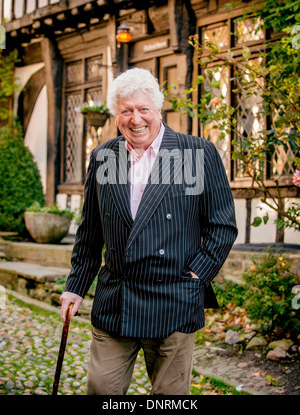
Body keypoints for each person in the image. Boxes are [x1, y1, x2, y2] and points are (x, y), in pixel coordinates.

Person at [60, 67, 238, 395]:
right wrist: (75, 288)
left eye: (143, 109)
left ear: (158, 109)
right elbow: (90, 232)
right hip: (116, 300)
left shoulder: (196, 154)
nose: (135, 119)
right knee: (101, 389)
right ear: (116, 115)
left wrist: (197, 275)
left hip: (173, 300)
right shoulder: (103, 158)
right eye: (126, 110)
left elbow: (222, 225)